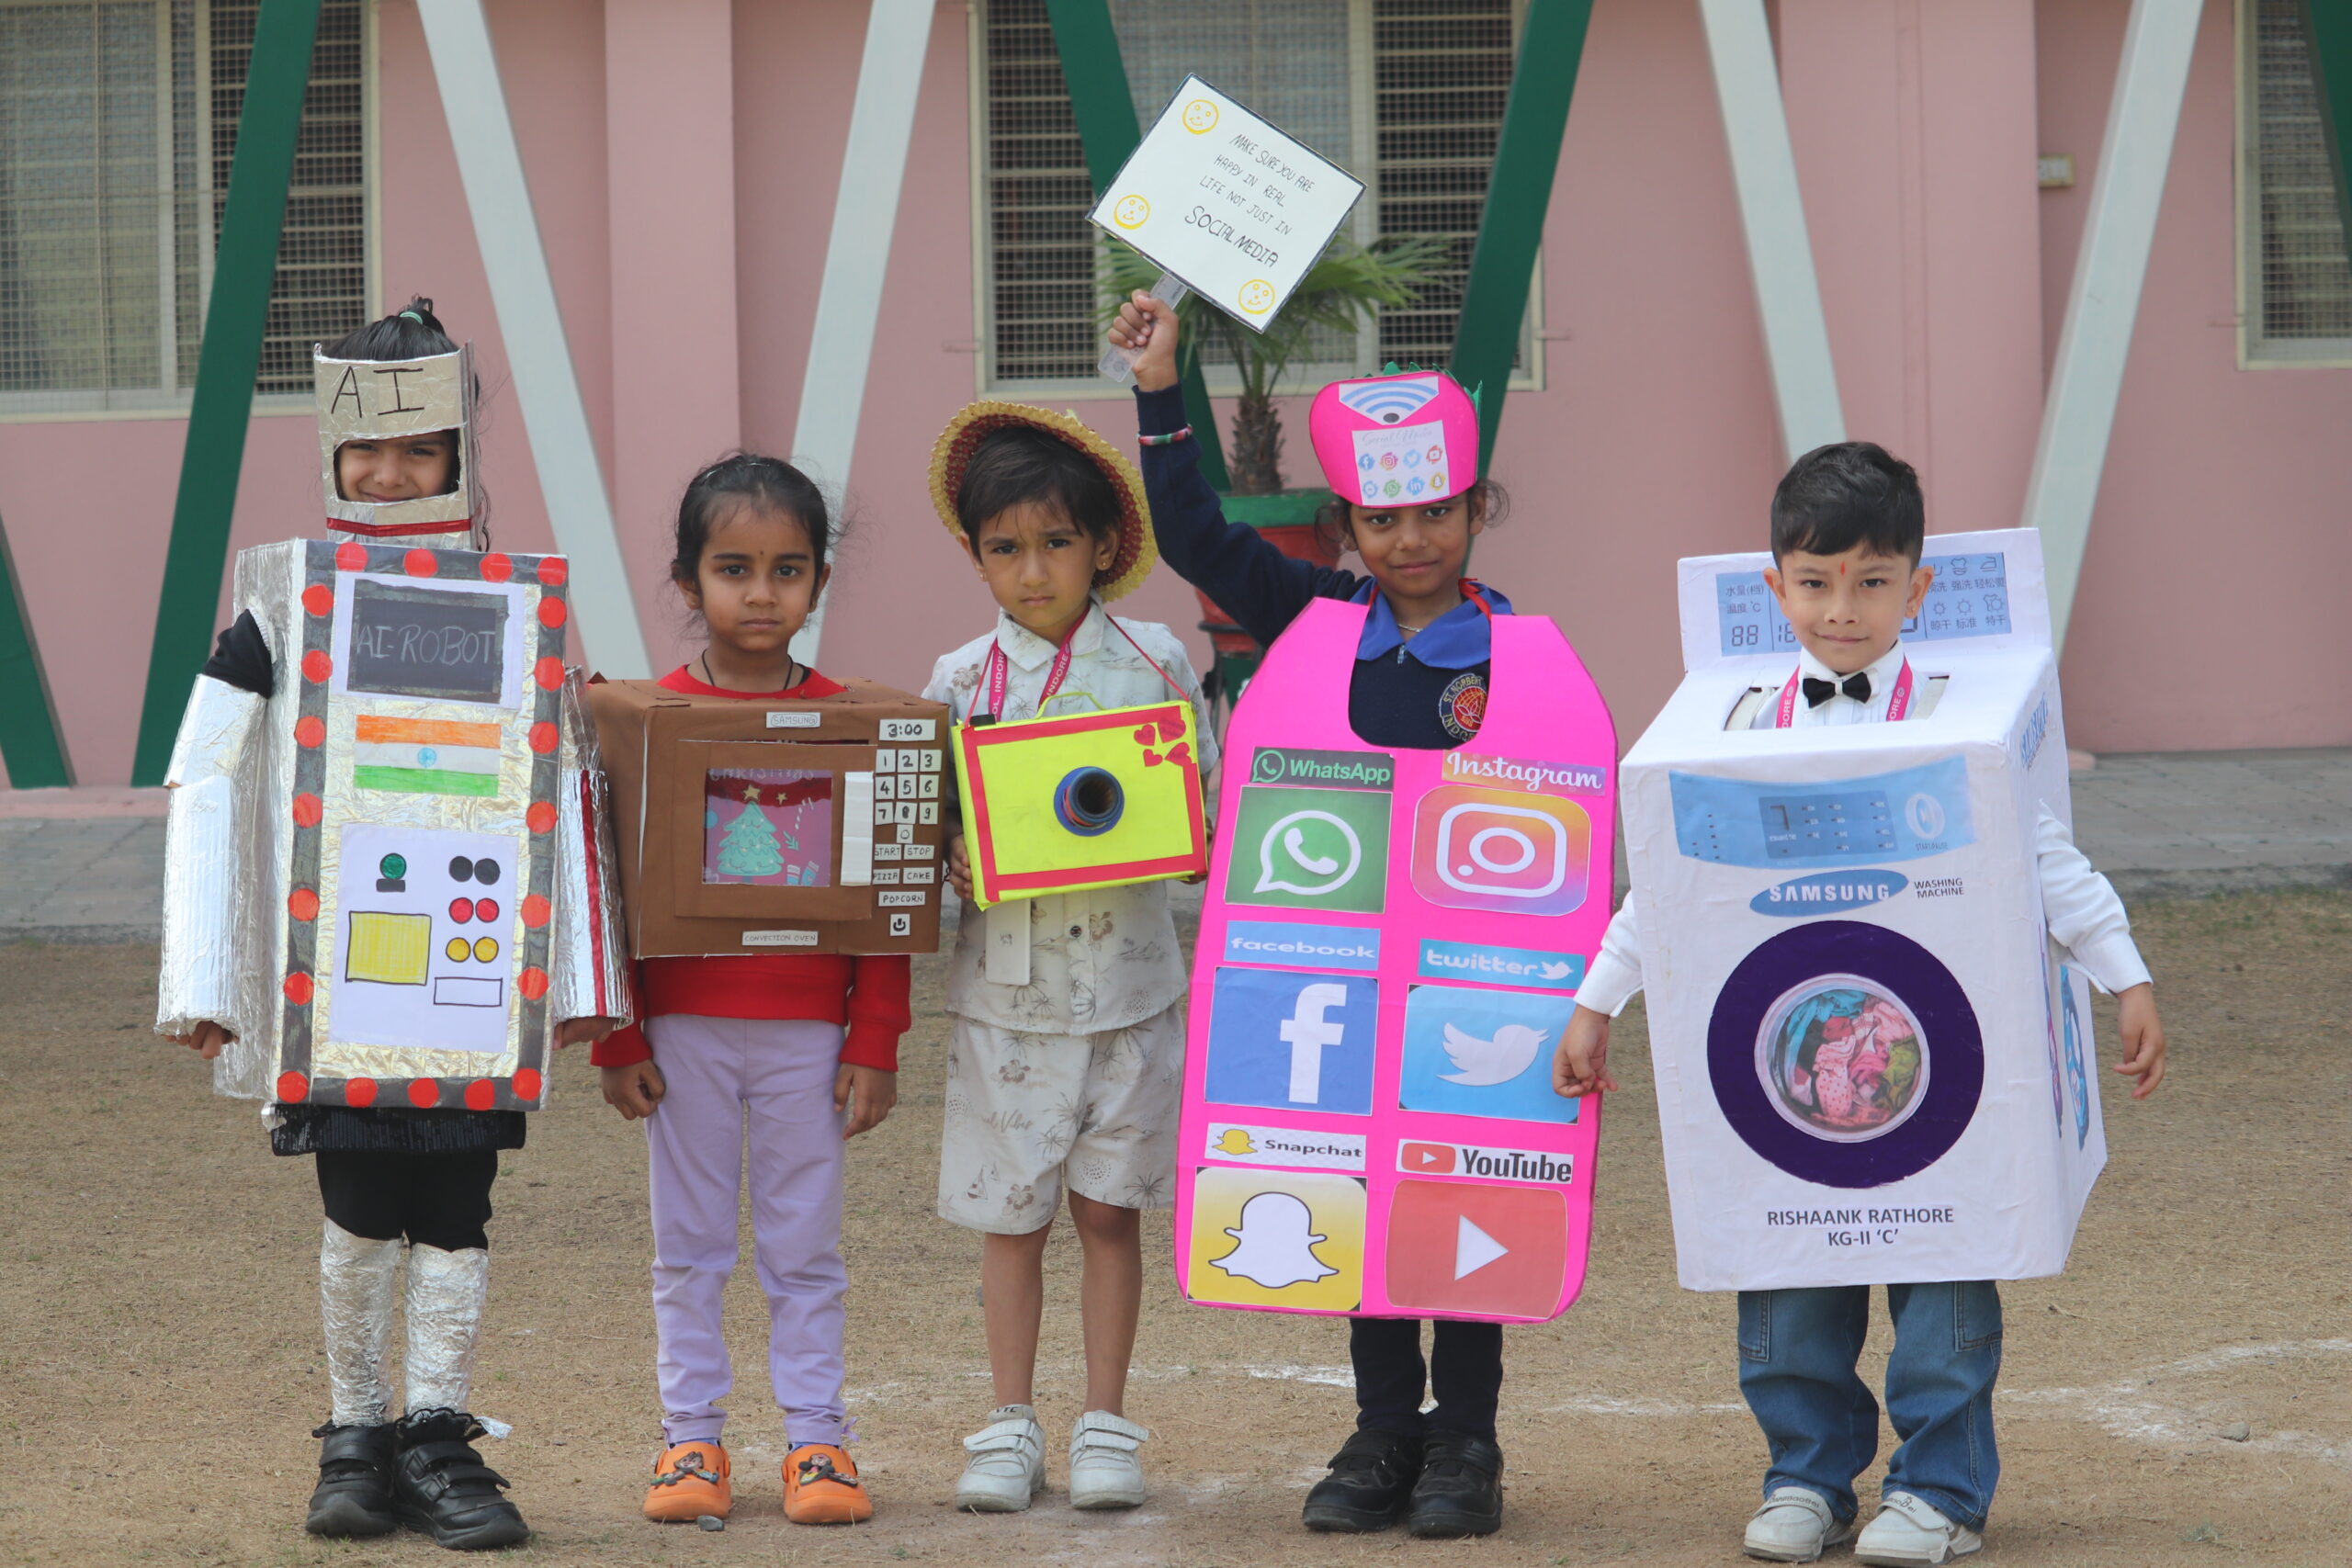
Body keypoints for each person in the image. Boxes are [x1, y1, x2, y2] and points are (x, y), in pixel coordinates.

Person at [1554, 441, 2170, 1566]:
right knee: (1786, 1279)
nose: (1842, 608)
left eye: (1872, 580)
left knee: (1944, 1279)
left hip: (1936, 1070)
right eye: (1815, 581)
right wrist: (1598, 1001)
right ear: (1774, 586)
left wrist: (2122, 975)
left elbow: (2049, 866)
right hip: (1789, 1071)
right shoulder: (1732, 730)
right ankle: (1807, 1477)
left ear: (1916, 588)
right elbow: (1673, 894)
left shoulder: (1961, 724)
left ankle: (1939, 1492)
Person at [155, 299, 627, 1551]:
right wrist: (205, 976)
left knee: (458, 1210)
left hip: (472, 983)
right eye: (366, 446)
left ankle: (436, 1433)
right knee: (360, 1206)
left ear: (459, 451)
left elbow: (566, 785)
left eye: (418, 447)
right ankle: (356, 1435)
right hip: (337, 992)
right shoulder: (279, 609)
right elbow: (204, 775)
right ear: (331, 447)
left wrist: (585, 978)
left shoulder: (519, 610)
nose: (389, 472)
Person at [1107, 292, 1516, 1538]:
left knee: (1463, 1191)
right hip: (1334, 965)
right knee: (1363, 1187)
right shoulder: (1315, 617)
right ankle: (1385, 1429)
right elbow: (1192, 533)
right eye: (1382, 519)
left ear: (1475, 509)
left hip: (1471, 976)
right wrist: (1161, 389)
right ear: (1347, 525)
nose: (1410, 538)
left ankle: (1467, 1439)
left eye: (1434, 512)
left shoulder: (1517, 649)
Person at [590, 454, 910, 1528]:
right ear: (688, 581)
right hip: (678, 1032)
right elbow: (607, 886)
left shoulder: (862, 722)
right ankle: (691, 1441)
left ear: (819, 579)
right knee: (686, 1250)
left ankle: (818, 1443)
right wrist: (618, 1035)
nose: (761, 593)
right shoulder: (640, 720)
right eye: (733, 569)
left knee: (804, 1250)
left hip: (809, 1037)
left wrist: (875, 1036)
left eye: (787, 569)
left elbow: (886, 893)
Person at [922, 401, 1217, 1513]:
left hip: (1134, 990)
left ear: (1102, 544)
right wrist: (951, 854)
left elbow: (1203, 808)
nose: (1033, 569)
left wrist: (1187, 831)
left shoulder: (1154, 661)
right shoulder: (959, 683)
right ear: (974, 556)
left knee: (1107, 1213)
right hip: (1006, 1000)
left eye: (1056, 542)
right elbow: (929, 824)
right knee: (1012, 1218)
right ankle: (1008, 1426)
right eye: (1005, 547)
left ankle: (1104, 1423)